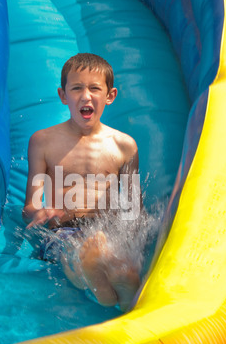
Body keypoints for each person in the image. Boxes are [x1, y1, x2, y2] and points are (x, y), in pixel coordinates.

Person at [23, 53, 141, 311]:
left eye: (94, 88)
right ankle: (91, 271)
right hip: (64, 230)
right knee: (72, 252)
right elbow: (30, 206)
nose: (85, 96)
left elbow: (134, 212)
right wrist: (41, 212)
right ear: (63, 95)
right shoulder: (43, 141)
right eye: (76, 88)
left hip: (107, 231)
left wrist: (132, 242)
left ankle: (112, 285)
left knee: (125, 271)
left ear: (110, 96)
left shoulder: (124, 146)